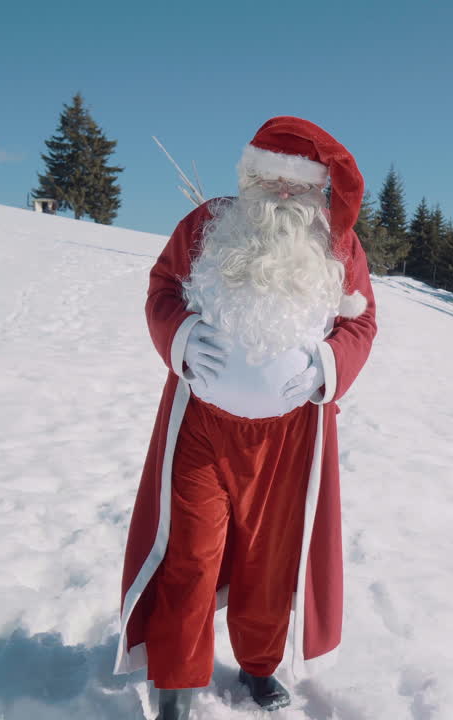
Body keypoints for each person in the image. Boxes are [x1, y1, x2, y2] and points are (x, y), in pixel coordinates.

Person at [116, 117, 377, 719]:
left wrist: (328, 363)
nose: (282, 194)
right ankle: (176, 685)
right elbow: (162, 287)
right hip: (203, 427)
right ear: (248, 177)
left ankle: (259, 668)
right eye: (268, 179)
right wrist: (178, 336)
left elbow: (361, 324)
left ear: (317, 189)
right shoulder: (208, 224)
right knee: (191, 555)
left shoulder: (339, 245)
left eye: (297, 184)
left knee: (271, 557)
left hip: (291, 436)